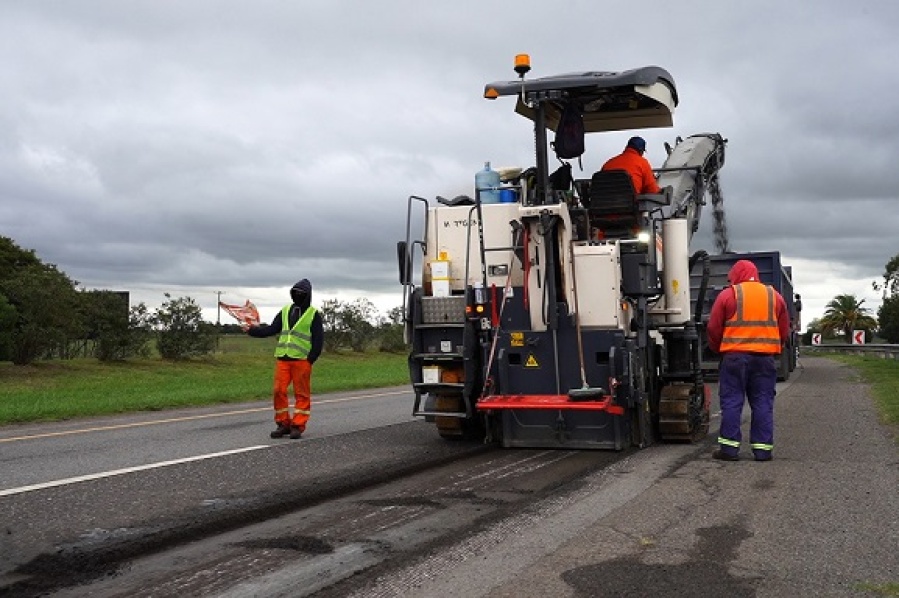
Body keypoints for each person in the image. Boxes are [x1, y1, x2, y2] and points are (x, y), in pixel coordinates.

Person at [706, 260, 790, 462]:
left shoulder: (729, 294)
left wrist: (718, 349)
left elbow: (713, 327)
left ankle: (729, 450)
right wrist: (774, 349)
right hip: (764, 359)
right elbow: (784, 329)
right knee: (762, 402)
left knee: (732, 401)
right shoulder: (774, 296)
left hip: (734, 358)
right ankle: (762, 451)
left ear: (735, 275)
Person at [248, 278, 324, 439]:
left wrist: (311, 359)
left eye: (301, 294)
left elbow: (318, 340)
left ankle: (298, 425)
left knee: (301, 394)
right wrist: (252, 331)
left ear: (307, 295)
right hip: (283, 359)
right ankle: (283, 423)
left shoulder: (313, 315)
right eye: (295, 293)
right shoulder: (285, 311)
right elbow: (271, 329)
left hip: (302, 361)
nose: (297, 296)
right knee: (278, 390)